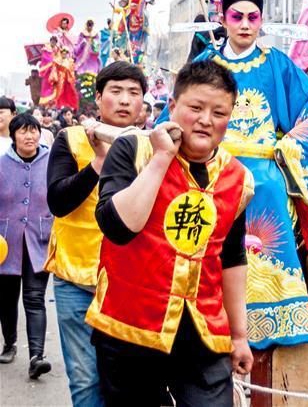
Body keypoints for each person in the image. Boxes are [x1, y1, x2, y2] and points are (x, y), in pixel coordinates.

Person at [165, 0, 308, 349]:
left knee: (270, 188)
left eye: (252, 17)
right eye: (236, 16)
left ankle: (275, 316)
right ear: (223, 18)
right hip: (210, 165)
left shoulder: (278, 65)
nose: (244, 24)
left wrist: (285, 148)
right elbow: (173, 112)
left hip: (263, 169)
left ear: (261, 21)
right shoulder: (206, 63)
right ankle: (202, 315)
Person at [87, 59, 254, 407]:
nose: (206, 120)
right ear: (173, 106)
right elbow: (118, 227)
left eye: (219, 112)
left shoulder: (238, 178)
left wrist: (239, 336)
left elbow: (232, 258)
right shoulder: (133, 150)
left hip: (202, 331)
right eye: (196, 108)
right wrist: (162, 157)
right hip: (131, 327)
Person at [46, 61, 146, 407]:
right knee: (86, 381)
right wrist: (97, 165)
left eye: (133, 93)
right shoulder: (70, 139)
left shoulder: (154, 146)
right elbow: (58, 201)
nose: (124, 100)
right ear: (99, 97)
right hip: (77, 280)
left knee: (126, 381)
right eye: (115, 91)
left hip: (132, 283)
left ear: (143, 104)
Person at [0, 113, 53, 378]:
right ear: (14, 135)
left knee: (34, 298)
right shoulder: (1, 165)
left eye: (34, 131)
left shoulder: (52, 161)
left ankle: (37, 356)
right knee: (6, 299)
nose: (30, 136)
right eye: (23, 131)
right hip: (5, 243)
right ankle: (10, 343)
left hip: (39, 240)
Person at [119, 0, 155, 65]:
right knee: (129, 34)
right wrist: (123, 2)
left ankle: (140, 55)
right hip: (131, 12)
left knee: (142, 36)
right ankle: (129, 54)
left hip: (142, 12)